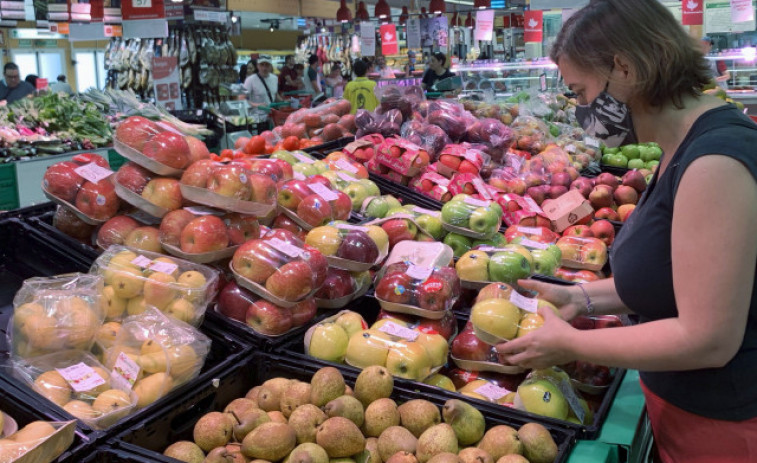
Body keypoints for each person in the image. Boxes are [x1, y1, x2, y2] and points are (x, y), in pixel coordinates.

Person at [494, 1, 757, 462]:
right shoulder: (682, 145)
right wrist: (583, 298)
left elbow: (709, 337)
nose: (579, 110)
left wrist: (571, 343)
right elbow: (677, 277)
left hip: (727, 428)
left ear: (625, 68)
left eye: (580, 92)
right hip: (689, 411)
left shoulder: (716, 163)